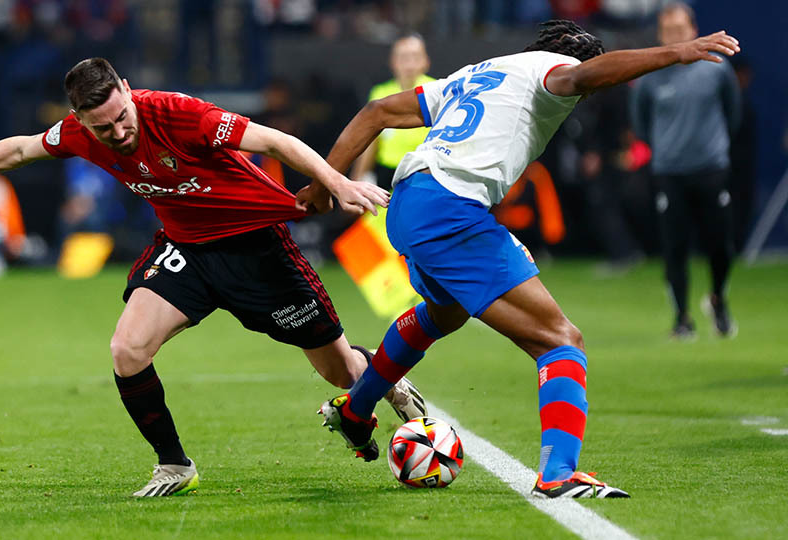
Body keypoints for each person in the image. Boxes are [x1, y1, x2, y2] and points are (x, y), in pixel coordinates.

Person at [0, 58, 426, 497]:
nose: (117, 132)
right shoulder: (78, 131)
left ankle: (386, 378)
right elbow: (21, 148)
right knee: (127, 349)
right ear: (79, 117)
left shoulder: (178, 114)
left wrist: (336, 181)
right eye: (102, 126)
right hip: (186, 250)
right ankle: (174, 464)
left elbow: (276, 141)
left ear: (127, 88)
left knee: (339, 373)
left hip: (257, 248)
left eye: (122, 117)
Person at [298, 19, 740, 498]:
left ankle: (356, 411)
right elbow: (584, 77)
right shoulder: (557, 71)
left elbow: (377, 111)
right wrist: (676, 52)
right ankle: (559, 473)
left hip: (408, 203)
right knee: (559, 340)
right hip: (450, 210)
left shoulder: (480, 72)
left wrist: (325, 184)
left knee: (443, 312)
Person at [630, 3, 741, 339]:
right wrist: (667, 149)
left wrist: (712, 147)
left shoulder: (717, 68)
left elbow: (733, 114)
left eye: (680, 29)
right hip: (669, 172)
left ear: (693, 29)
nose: (675, 36)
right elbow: (641, 124)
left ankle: (718, 298)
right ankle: (682, 318)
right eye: (668, 31)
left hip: (711, 168)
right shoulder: (650, 74)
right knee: (674, 247)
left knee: (720, 244)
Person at [350, 33, 433, 191]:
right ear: (393, 62)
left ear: (426, 61)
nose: (409, 65)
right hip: (387, 178)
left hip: (423, 176)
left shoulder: (436, 90)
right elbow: (370, 141)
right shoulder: (380, 94)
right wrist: (356, 180)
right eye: (403, 58)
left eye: (415, 58)